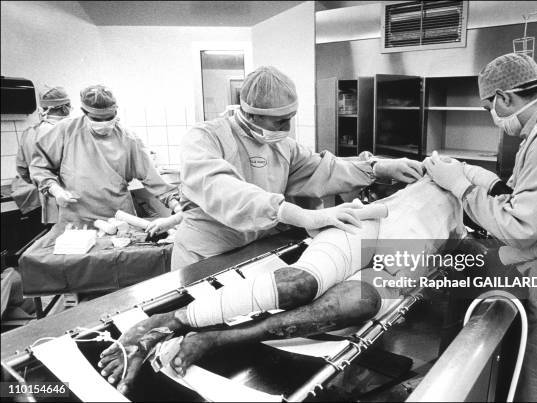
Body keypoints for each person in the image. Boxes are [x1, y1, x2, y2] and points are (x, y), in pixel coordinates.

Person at [98, 177, 466, 394]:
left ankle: (212, 338)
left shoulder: (472, 200)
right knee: (300, 283)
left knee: (362, 303)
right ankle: (167, 322)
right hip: (371, 226)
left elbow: (504, 229)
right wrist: (379, 170)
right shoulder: (433, 177)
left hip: (404, 261)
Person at [424, 53, 537, 402]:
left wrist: (460, 187)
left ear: (504, 98)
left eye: (487, 108)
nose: (492, 117)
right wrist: (490, 185)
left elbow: (520, 226)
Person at [173, 66, 424, 269]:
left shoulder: (284, 147)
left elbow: (324, 169)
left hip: (252, 251)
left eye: (290, 120)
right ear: (250, 114)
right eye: (279, 121)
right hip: (205, 256)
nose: (285, 130)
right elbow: (222, 189)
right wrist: (297, 214)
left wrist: (377, 168)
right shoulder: (205, 138)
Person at [29, 85, 182, 224]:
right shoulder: (65, 131)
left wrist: (176, 205)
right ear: (84, 112)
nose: (104, 123)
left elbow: (152, 177)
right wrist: (55, 190)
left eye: (109, 118)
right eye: (96, 119)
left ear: (116, 111)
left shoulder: (128, 139)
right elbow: (39, 167)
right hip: (76, 218)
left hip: (119, 218)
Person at [11, 86, 71, 223]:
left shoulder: (29, 133)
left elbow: (22, 169)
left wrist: (43, 185)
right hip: (70, 202)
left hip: (48, 203)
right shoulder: (68, 131)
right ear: (64, 108)